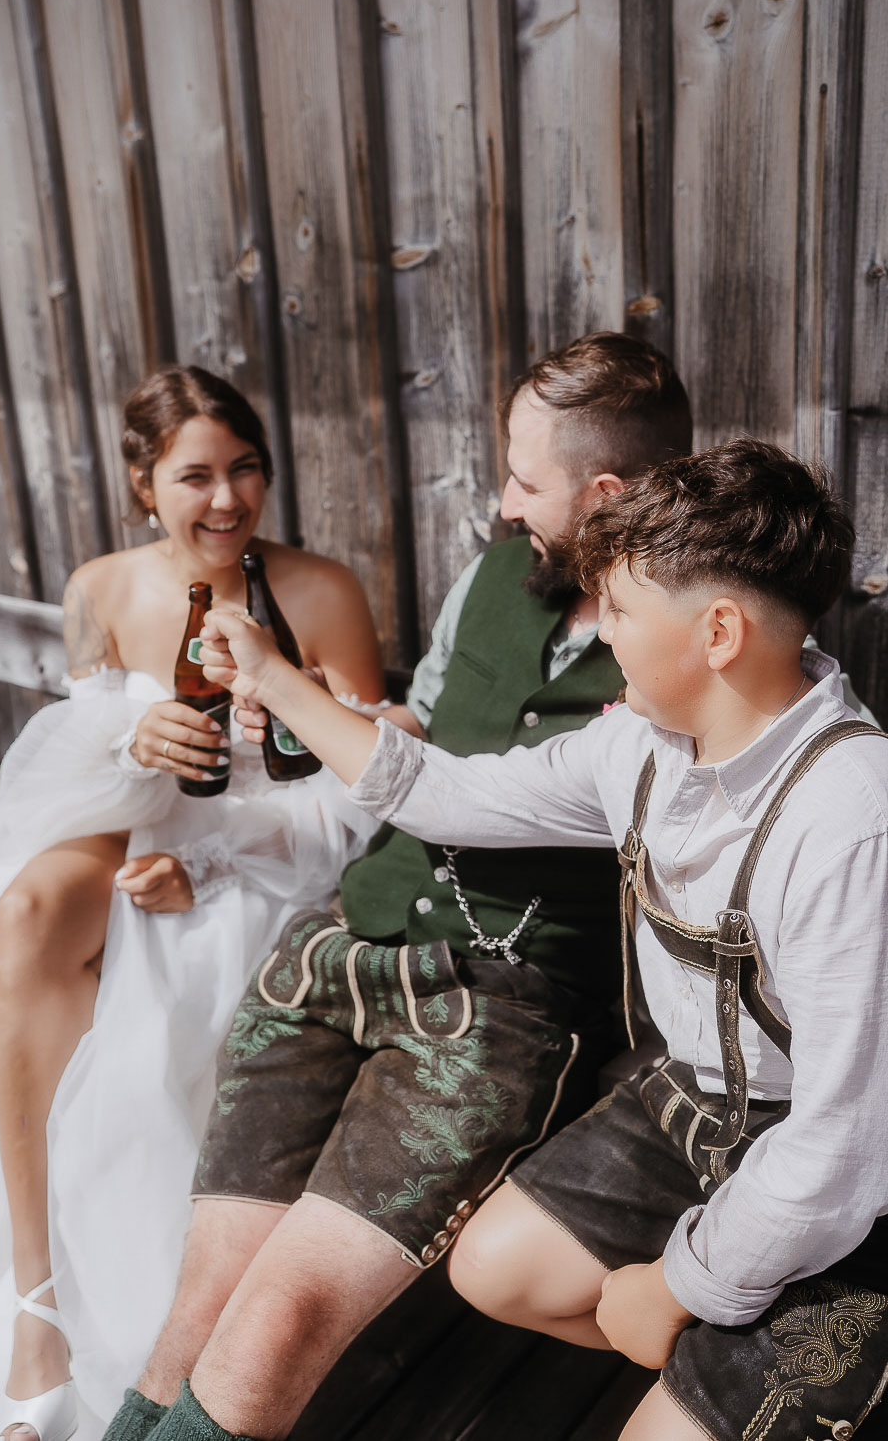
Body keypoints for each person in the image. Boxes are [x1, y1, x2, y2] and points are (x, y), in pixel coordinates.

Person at [187, 436, 888, 1441]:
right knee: (493, 1267)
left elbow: (844, 1147)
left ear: (719, 633)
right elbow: (446, 793)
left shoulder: (851, 819)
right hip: (701, 1108)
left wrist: (678, 1287)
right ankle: (725, 1361)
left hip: (848, 1172)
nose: (606, 636)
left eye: (624, 613)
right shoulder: (640, 742)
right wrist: (276, 677)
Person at [100, 332, 694, 1441]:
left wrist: (287, 681)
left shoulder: (676, 655)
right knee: (200, 1310)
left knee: (276, 1326)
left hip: (494, 1003)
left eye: (524, 481)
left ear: (606, 495)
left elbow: (465, 800)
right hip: (337, 948)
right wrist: (322, 709)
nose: (504, 504)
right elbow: (419, 729)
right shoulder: (493, 577)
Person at [0, 366, 384, 1441]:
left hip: (264, 859)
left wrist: (210, 867)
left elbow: (358, 797)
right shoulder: (97, 591)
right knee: (24, 911)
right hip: (130, 828)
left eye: (245, 468)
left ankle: (153, 1303)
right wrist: (128, 740)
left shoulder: (321, 593)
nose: (227, 499)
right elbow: (52, 792)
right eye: (195, 476)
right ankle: (35, 1301)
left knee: (159, 959)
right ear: (142, 483)